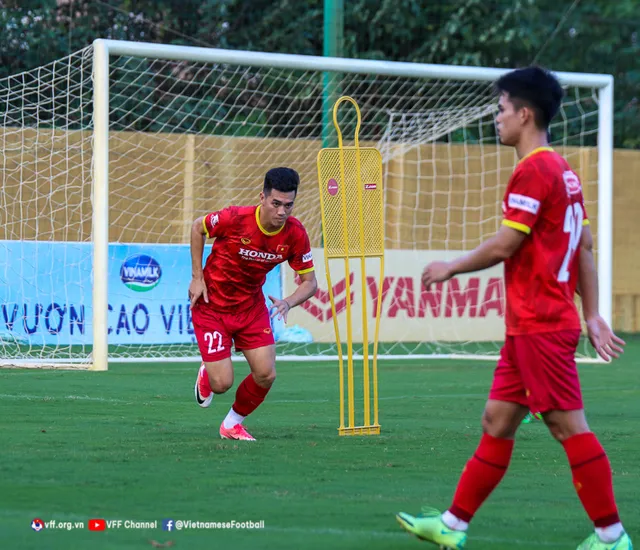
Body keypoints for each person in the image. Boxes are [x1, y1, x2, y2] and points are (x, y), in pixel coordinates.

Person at [396, 67, 631, 549]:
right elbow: (583, 245)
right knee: (497, 421)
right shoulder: (563, 171)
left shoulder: (534, 169)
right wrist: (590, 314)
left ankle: (612, 537)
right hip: (536, 323)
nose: (496, 119)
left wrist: (451, 267)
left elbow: (507, 244)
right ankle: (452, 526)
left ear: (525, 114)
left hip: (540, 324)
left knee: (568, 425)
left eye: (501, 109)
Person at [188, 167, 317, 441]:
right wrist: (197, 277)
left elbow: (310, 283)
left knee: (266, 374)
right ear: (262, 197)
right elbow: (197, 227)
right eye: (276, 204)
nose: (282, 212)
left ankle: (232, 424)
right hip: (211, 305)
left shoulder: (294, 234)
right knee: (221, 383)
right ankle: (208, 372)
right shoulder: (235, 218)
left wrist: (288, 302)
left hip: (250, 308)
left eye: (289, 205)